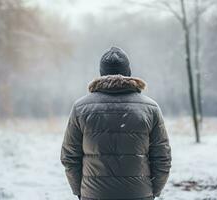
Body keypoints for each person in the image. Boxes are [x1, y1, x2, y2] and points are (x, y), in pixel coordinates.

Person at [61, 47, 171, 200]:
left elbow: (70, 156)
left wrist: (80, 191)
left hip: (95, 195)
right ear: (128, 73)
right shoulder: (150, 108)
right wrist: (153, 192)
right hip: (138, 194)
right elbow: (162, 157)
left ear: (101, 73)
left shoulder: (81, 108)